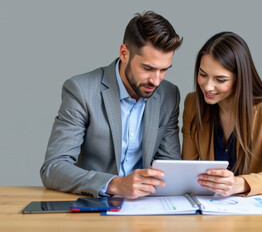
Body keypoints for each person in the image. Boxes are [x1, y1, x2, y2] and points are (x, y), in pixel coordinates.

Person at [40, 11, 183, 199]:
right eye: (148, 68)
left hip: (146, 211)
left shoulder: (168, 95)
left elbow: (170, 165)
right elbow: (53, 168)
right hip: (93, 206)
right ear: (124, 53)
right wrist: (115, 184)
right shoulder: (81, 91)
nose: (156, 80)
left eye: (164, 70)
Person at [182, 32, 262, 197]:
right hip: (217, 208)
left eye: (220, 80)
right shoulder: (193, 103)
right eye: (203, 74)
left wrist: (237, 184)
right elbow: (186, 167)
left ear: (240, 79)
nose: (208, 87)